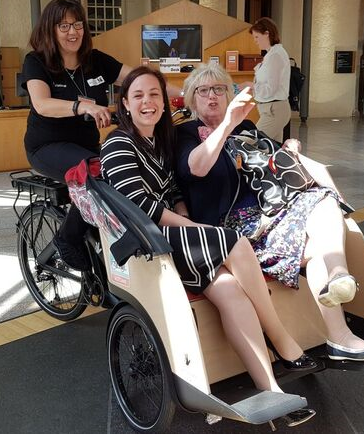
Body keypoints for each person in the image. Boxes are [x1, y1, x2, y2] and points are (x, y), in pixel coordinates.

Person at [101, 66, 316, 426]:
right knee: (236, 243)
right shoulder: (119, 142)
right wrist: (193, 226)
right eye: (138, 96)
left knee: (231, 291)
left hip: (173, 237)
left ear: (164, 102)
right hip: (148, 241)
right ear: (125, 103)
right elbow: (143, 206)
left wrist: (186, 216)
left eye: (154, 95)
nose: (148, 102)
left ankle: (273, 391)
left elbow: (172, 193)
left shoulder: (158, 141)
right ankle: (281, 338)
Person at [176, 63, 364, 361]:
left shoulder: (246, 127)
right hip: (233, 230)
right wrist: (225, 127)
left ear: (229, 94)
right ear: (192, 100)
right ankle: (338, 315)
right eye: (203, 91)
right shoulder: (185, 134)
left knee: (324, 203)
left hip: (271, 214)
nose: (212, 96)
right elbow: (196, 168)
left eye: (219, 89)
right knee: (314, 242)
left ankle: (339, 306)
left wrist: (288, 146)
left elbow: (275, 156)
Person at [22, 0, 178, 270]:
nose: (73, 32)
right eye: (64, 26)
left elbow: (141, 80)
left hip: (87, 146)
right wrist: (83, 106)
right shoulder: (37, 61)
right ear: (50, 29)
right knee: (96, 174)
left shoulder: (94, 61)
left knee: (121, 172)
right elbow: (42, 104)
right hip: (46, 146)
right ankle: (67, 239)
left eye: (78, 24)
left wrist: (191, 95)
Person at [242, 17, 292, 142]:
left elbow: (270, 89)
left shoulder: (275, 55)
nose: (255, 41)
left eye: (257, 37)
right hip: (271, 110)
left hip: (274, 111)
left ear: (267, 34)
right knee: (272, 151)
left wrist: (251, 85)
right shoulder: (271, 54)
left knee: (248, 142)